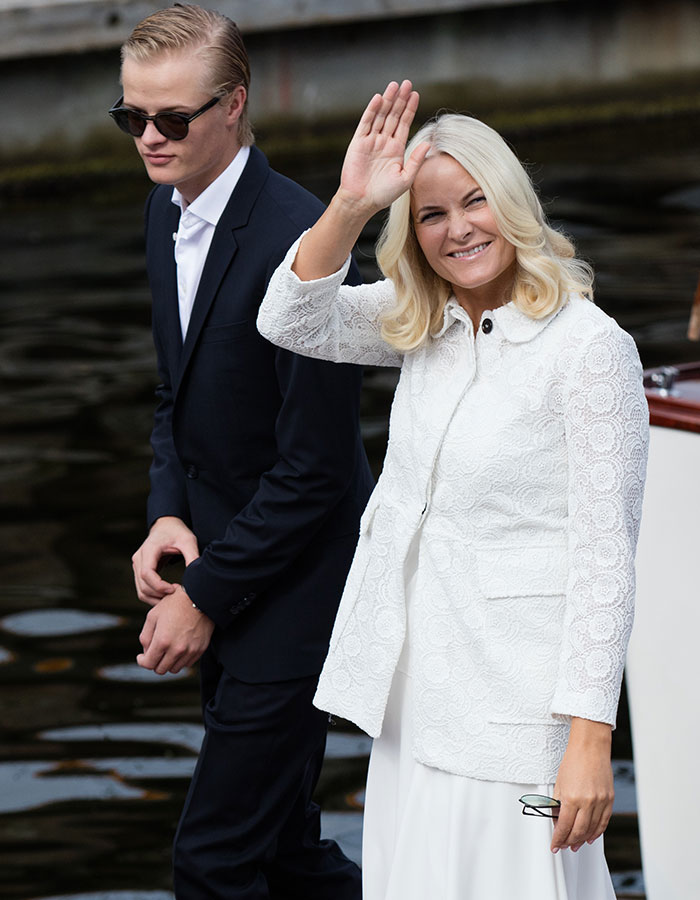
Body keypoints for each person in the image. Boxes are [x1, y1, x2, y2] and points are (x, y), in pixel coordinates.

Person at [257, 81, 649, 899]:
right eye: (432, 214)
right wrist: (354, 203)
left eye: (475, 202)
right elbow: (289, 320)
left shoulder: (588, 349)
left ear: (512, 203)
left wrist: (590, 738)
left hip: (521, 719)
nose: (458, 228)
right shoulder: (422, 320)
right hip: (414, 701)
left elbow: (605, 559)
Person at [110, 5, 372, 898]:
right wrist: (166, 512)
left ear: (234, 105)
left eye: (172, 118)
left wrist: (207, 600)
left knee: (213, 861)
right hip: (219, 572)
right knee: (285, 854)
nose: (150, 137)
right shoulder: (163, 213)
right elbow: (174, 397)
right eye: (132, 117)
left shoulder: (305, 243)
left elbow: (318, 469)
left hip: (294, 603)